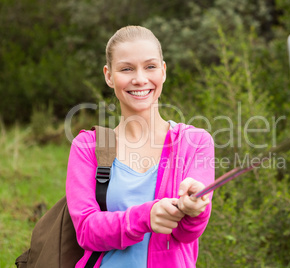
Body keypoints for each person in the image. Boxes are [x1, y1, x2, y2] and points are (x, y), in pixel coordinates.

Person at [66, 25, 215, 268]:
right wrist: (145, 217)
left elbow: (188, 234)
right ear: (109, 75)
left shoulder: (196, 142)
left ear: (163, 71)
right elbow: (86, 231)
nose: (140, 79)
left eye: (150, 67)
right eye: (126, 69)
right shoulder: (88, 146)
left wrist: (196, 209)